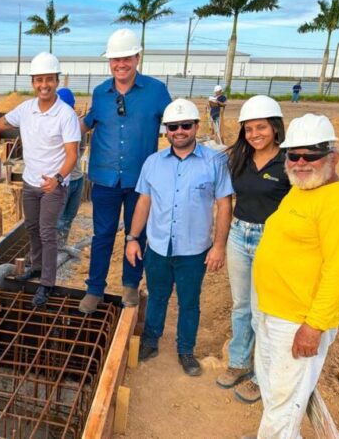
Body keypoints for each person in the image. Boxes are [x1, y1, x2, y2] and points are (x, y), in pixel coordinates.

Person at [252, 114, 339, 438]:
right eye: (294, 155)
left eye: (311, 155)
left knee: (285, 402)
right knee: (274, 390)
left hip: (297, 321)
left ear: (332, 158)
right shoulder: (302, 189)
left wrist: (313, 327)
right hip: (272, 311)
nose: (300, 162)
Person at [125, 98, 233, 376]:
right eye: (173, 126)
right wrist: (133, 238)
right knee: (158, 296)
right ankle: (151, 340)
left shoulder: (214, 162)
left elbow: (224, 204)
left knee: (189, 301)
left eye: (186, 125)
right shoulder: (153, 163)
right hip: (159, 246)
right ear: (166, 130)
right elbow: (144, 202)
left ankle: (186, 350)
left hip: (194, 250)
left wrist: (219, 246)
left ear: (196, 126)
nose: (179, 131)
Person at [81, 28, 172, 315]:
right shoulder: (100, 93)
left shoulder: (156, 91)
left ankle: (130, 284)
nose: (121, 64)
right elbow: (86, 124)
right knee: (103, 234)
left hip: (141, 180)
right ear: (110, 62)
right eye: (115, 59)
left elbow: (175, 126)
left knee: (137, 234)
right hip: (105, 178)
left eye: (126, 58)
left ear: (137, 57)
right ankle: (95, 288)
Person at [0, 52, 80, 307]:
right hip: (30, 182)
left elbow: (72, 154)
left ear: (56, 81)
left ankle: (47, 283)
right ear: (33, 82)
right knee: (32, 228)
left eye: (48, 79)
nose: (43, 85)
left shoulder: (65, 114)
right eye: (39, 80)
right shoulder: (26, 109)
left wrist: (58, 179)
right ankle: (36, 267)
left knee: (48, 232)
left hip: (53, 185)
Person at [216, 95, 290, 404]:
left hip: (270, 239)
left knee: (264, 311)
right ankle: (238, 362)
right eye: (248, 129)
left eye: (261, 128)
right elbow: (227, 196)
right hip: (238, 234)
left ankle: (261, 376)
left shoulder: (288, 161)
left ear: (275, 128)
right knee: (241, 305)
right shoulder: (240, 158)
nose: (254, 134)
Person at [54, 87, 87, 247]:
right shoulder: (52, 126)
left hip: (77, 178)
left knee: (69, 216)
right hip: (61, 181)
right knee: (57, 218)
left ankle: (61, 244)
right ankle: (53, 250)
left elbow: (81, 148)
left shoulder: (78, 127)